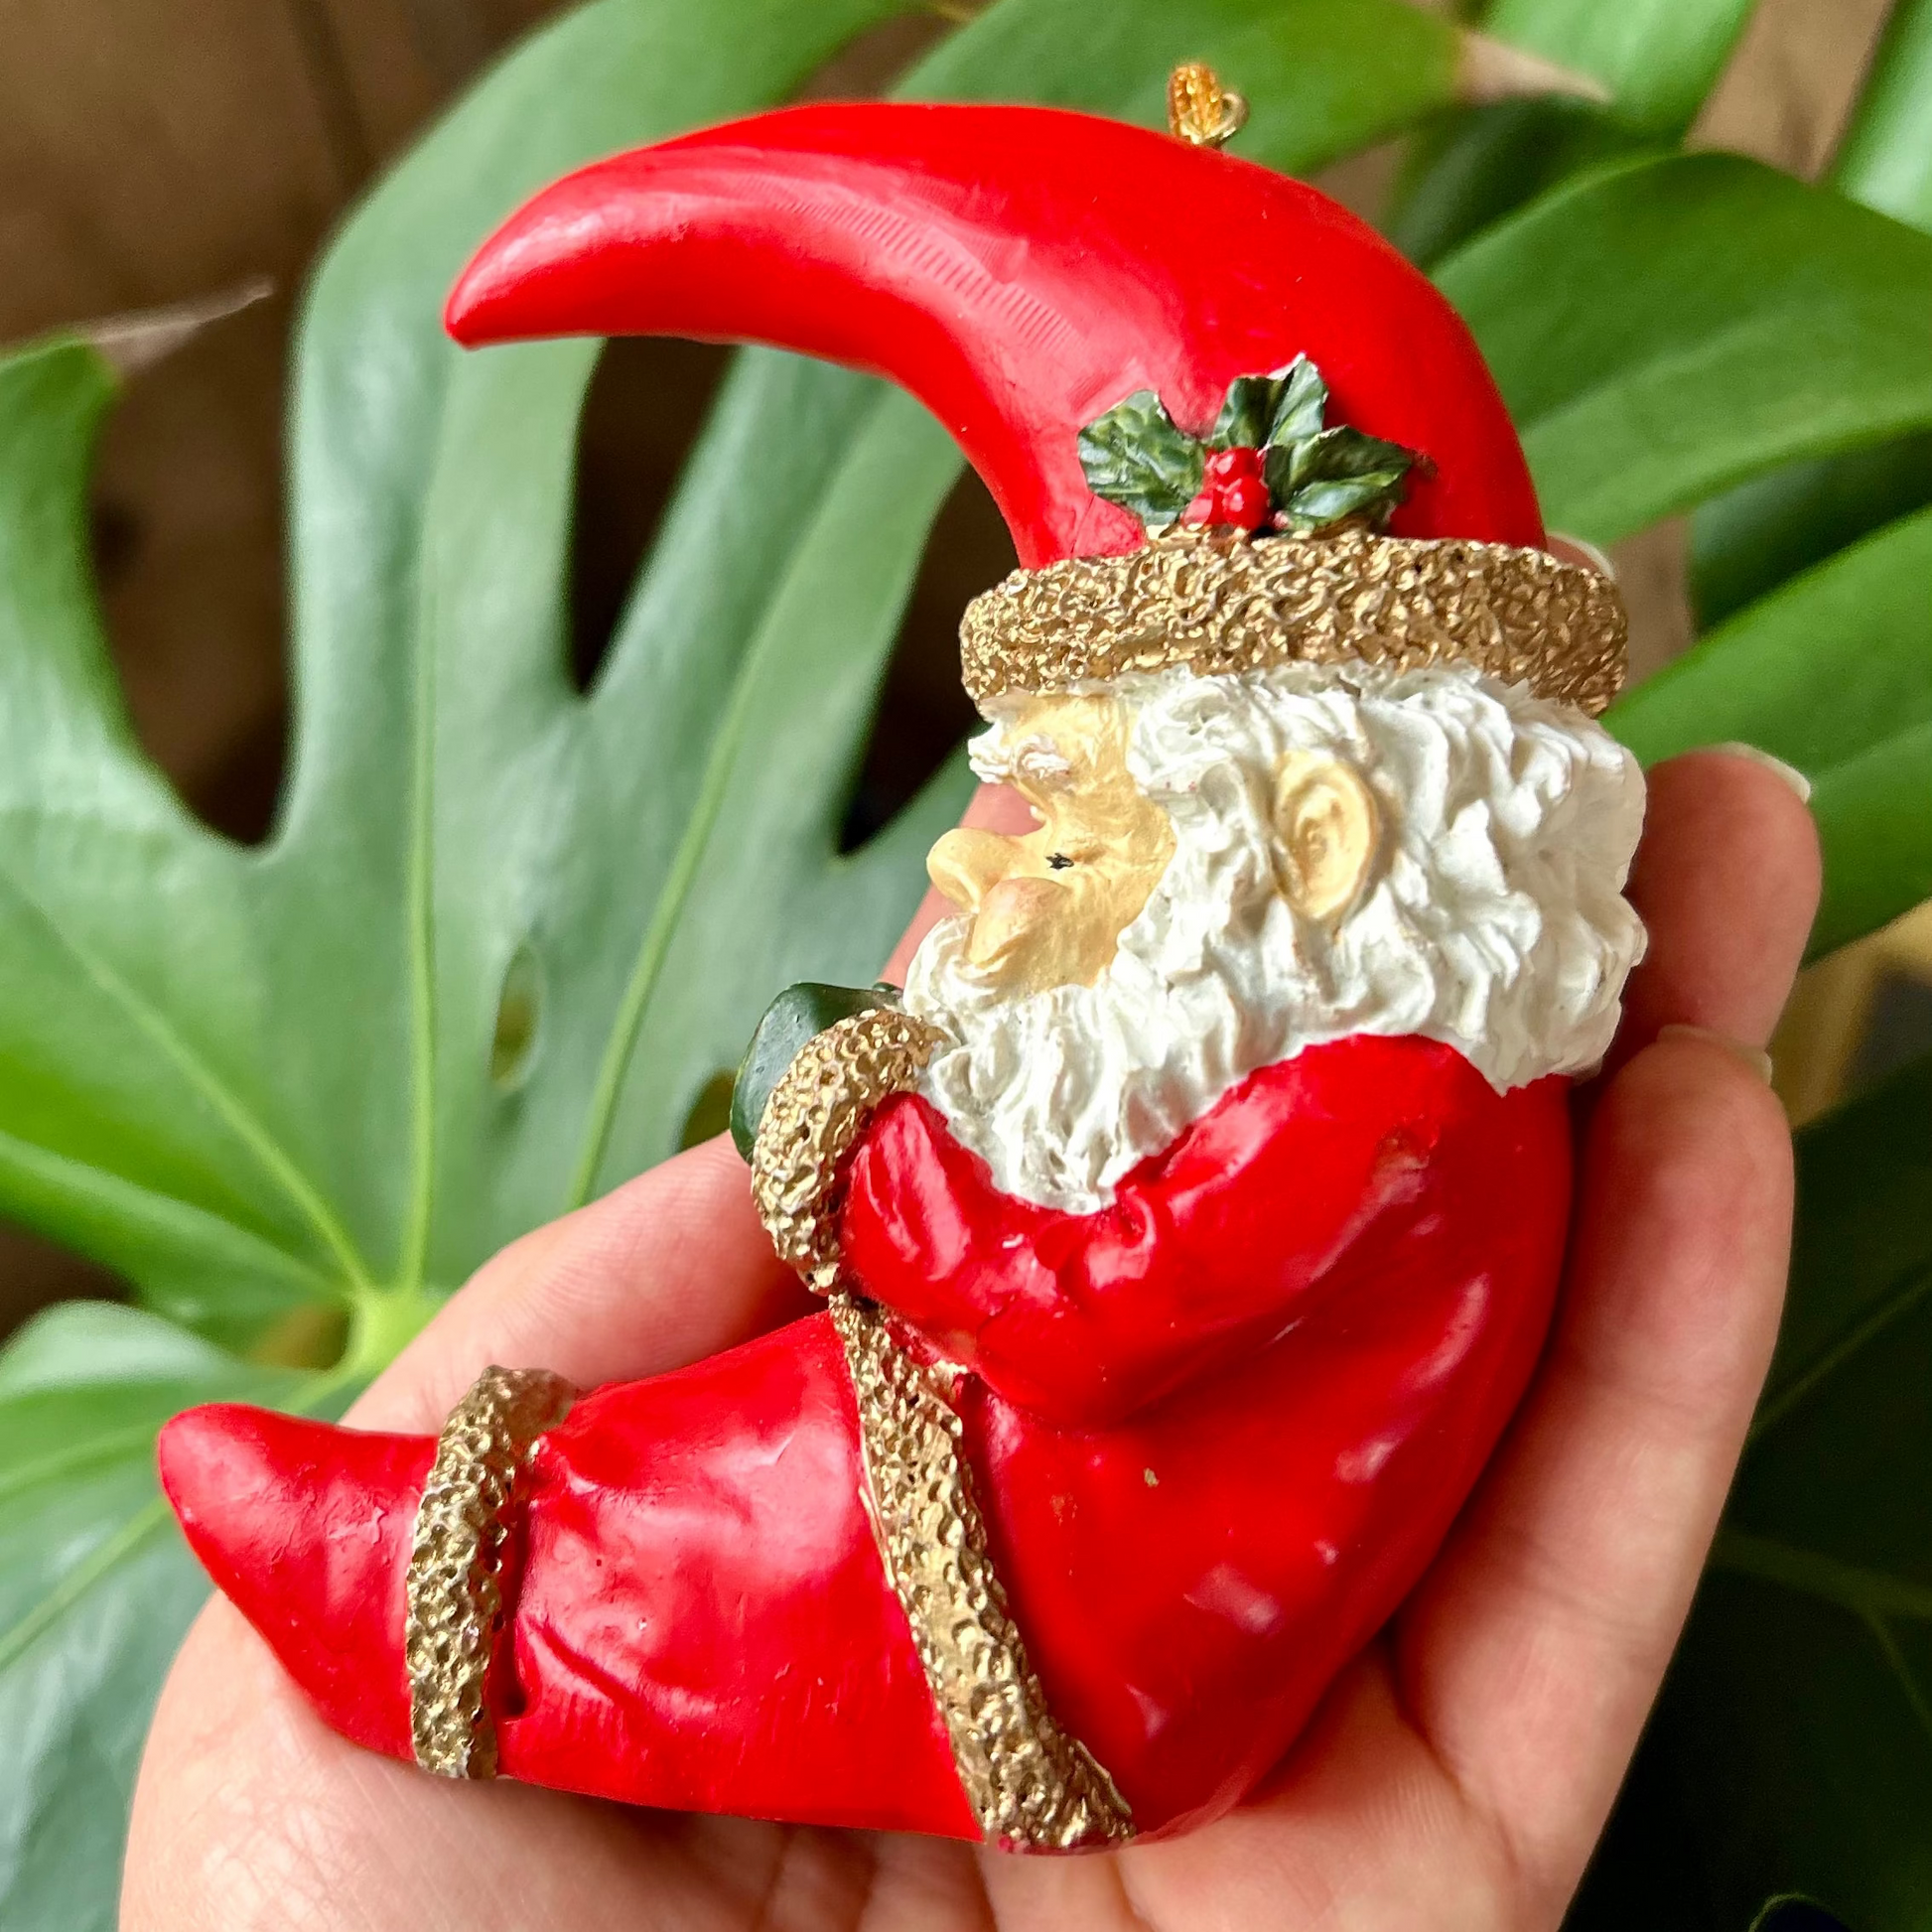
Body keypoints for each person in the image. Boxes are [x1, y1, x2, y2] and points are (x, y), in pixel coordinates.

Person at [124, 733, 1818, 1929]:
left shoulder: (1379, 1099)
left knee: (671, 1550)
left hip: (1075, 1604)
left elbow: (1079, 1326)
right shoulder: (1416, 1082)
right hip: (1100, 1553)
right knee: (687, 1487)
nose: (976, 858)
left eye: (1078, 820)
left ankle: (442, 1582)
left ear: (1309, 839)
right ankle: (465, 1562)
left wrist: (872, 1148)